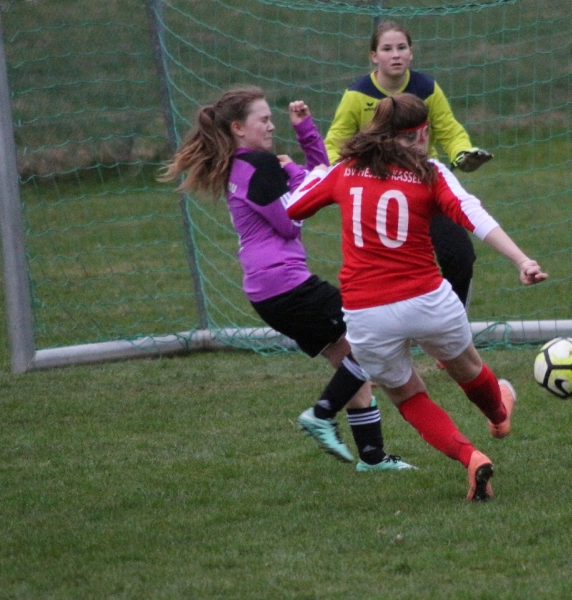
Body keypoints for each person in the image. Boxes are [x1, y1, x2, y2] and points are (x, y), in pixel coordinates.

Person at [284, 93, 548, 501]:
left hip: (367, 311)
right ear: (423, 133)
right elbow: (472, 214)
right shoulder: (430, 172)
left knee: (407, 395)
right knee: (468, 368)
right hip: (428, 300)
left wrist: (317, 174)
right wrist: (521, 260)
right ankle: (498, 416)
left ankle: (470, 457)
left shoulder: (347, 168)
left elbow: (294, 209)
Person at [158, 86, 413, 472]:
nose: (271, 125)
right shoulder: (258, 166)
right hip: (286, 286)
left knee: (350, 362)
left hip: (271, 290)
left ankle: (373, 458)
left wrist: (306, 132)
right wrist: (294, 172)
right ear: (238, 128)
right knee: (373, 340)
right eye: (263, 119)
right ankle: (321, 413)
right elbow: (291, 221)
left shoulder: (244, 165)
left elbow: (318, 180)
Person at [324, 20, 493, 310]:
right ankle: (389, 322)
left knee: (459, 257)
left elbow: (449, 130)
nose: (395, 55)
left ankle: (454, 324)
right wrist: (344, 174)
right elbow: (336, 142)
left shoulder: (427, 88)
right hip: (378, 192)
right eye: (387, 49)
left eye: (401, 48)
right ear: (374, 56)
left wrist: (462, 154)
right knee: (386, 269)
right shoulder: (357, 95)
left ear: (411, 53)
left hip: (424, 185)